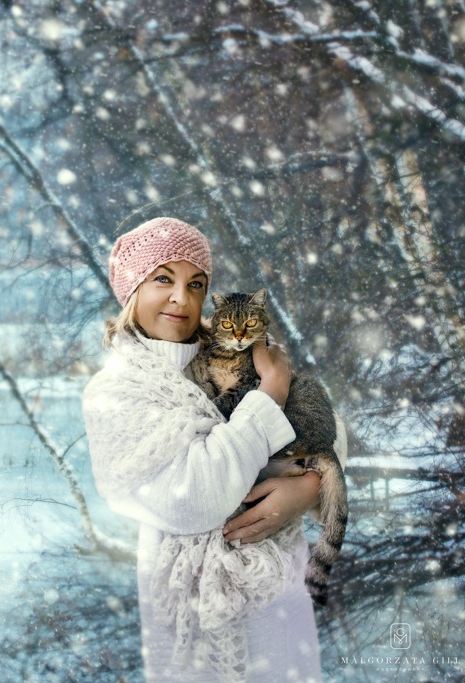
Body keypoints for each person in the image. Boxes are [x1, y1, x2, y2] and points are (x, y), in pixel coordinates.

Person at [82, 217, 324, 682]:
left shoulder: (241, 351)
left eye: (196, 283)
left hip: (279, 597)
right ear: (132, 291)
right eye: (163, 279)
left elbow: (327, 429)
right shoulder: (115, 392)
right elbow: (193, 499)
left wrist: (311, 488)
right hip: (192, 609)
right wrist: (269, 396)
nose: (182, 298)